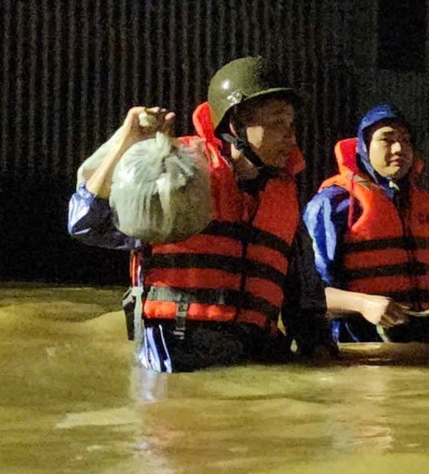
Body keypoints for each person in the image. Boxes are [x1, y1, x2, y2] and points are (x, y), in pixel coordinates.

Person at [67, 56, 330, 372]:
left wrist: (322, 357)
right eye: (276, 124)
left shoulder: (284, 198)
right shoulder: (179, 179)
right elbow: (86, 225)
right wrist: (128, 139)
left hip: (257, 359)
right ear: (235, 126)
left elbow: (306, 307)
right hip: (176, 356)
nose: (291, 138)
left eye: (290, 124)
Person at [305, 104, 429, 343]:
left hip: (419, 340)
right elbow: (307, 294)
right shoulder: (332, 204)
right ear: (364, 147)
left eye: (406, 140)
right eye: (387, 140)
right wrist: (363, 304)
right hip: (355, 345)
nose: (400, 148)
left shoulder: (421, 205)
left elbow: (427, 290)